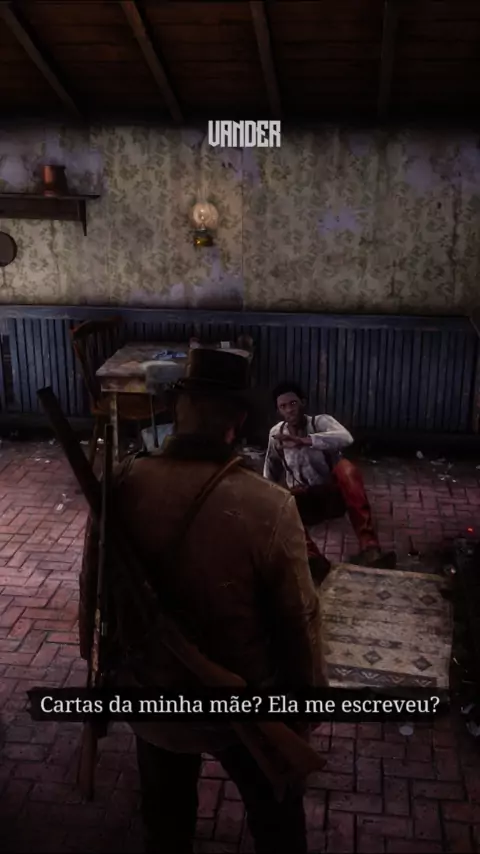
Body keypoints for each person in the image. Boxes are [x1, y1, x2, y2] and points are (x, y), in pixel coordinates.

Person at [79, 349, 327, 854]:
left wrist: (100, 665)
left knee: (166, 827)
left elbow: (92, 593)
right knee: (278, 827)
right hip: (245, 706)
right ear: (238, 423)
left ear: (178, 409)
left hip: (154, 695)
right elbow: (298, 624)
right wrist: (303, 710)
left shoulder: (122, 482)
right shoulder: (270, 505)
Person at [264, 381, 396, 571]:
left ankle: (370, 548)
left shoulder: (320, 422)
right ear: (278, 411)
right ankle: (313, 559)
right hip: (303, 501)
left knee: (346, 468)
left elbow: (346, 438)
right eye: (283, 406)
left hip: (331, 496)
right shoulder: (276, 434)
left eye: (293, 403)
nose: (289, 410)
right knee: (276, 500)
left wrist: (306, 441)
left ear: (303, 403)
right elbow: (270, 468)